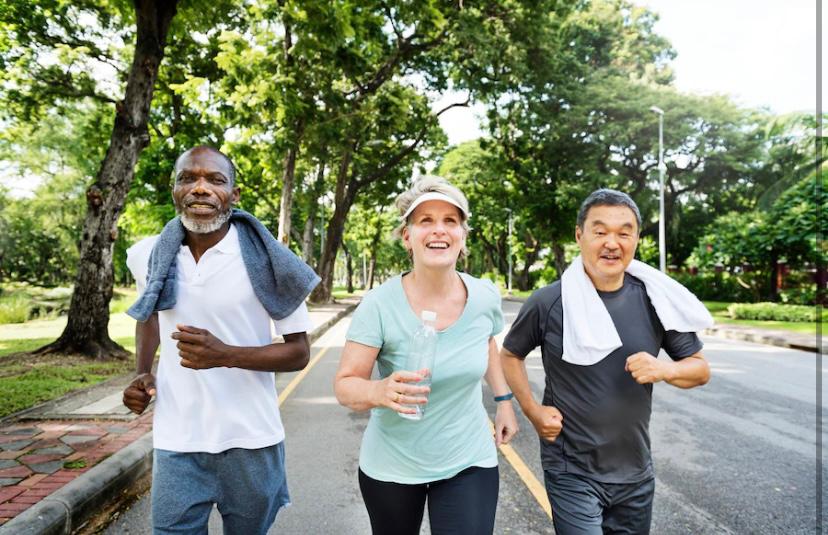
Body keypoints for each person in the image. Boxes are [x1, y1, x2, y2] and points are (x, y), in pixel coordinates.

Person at [121, 145, 320, 535]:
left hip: (251, 442)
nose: (200, 188)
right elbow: (150, 315)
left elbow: (298, 352)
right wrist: (142, 373)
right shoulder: (148, 254)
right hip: (178, 439)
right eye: (187, 178)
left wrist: (226, 354)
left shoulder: (270, 261)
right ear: (174, 189)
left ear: (233, 194)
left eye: (215, 180)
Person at [501, 188, 712, 535]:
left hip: (635, 472)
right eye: (600, 232)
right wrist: (533, 411)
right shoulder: (549, 302)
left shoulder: (655, 300)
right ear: (579, 235)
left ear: (636, 239)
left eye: (623, 232)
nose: (612, 242)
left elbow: (700, 369)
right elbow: (510, 355)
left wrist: (666, 369)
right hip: (572, 469)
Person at [334, 177, 518, 535]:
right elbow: (345, 385)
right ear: (407, 236)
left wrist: (504, 400)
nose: (439, 230)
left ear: (463, 236)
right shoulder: (379, 305)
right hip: (393, 465)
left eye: (450, 221)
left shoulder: (483, 296)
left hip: (468, 458)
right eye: (426, 220)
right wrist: (379, 391)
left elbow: (486, 342)